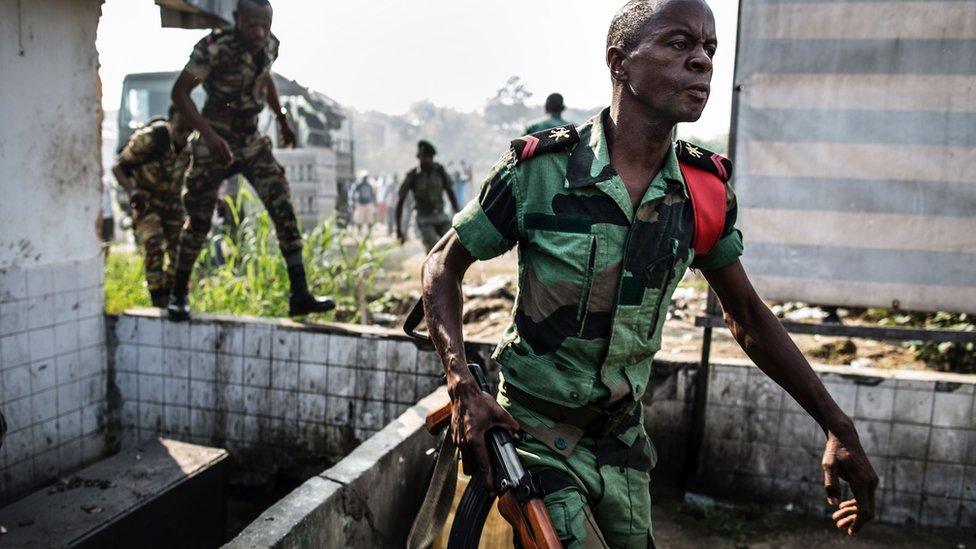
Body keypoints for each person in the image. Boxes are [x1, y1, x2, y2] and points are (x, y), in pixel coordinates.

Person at [420, 1, 878, 546]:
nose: (702, 62)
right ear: (619, 62)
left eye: (709, 48)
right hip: (533, 437)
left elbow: (748, 316)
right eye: (680, 44)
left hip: (624, 452)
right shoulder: (539, 173)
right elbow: (442, 265)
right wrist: (462, 384)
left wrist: (836, 424)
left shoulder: (702, 193)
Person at [168, 0, 334, 321]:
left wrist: (281, 118)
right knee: (199, 221)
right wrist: (210, 137)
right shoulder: (214, 47)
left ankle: (299, 293)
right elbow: (180, 93)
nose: (259, 32)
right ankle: (178, 294)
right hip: (215, 139)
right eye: (252, 25)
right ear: (237, 19)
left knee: (282, 204)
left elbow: (265, 77)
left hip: (251, 141)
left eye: (265, 25)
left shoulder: (270, 45)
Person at [111, 105, 194, 307]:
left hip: (173, 203)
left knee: (181, 248)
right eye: (180, 129)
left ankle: (171, 294)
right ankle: (157, 298)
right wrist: (132, 191)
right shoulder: (150, 138)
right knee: (153, 244)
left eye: (188, 130)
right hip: (147, 202)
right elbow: (118, 167)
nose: (184, 135)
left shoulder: (192, 146)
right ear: (171, 121)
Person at [395, 140, 460, 252]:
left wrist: (458, 215)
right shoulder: (413, 176)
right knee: (434, 248)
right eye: (422, 157)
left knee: (454, 244)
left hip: (441, 216)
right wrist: (399, 229)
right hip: (424, 218)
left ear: (432, 157)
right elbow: (400, 201)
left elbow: (450, 193)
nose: (424, 160)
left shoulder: (440, 171)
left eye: (427, 157)